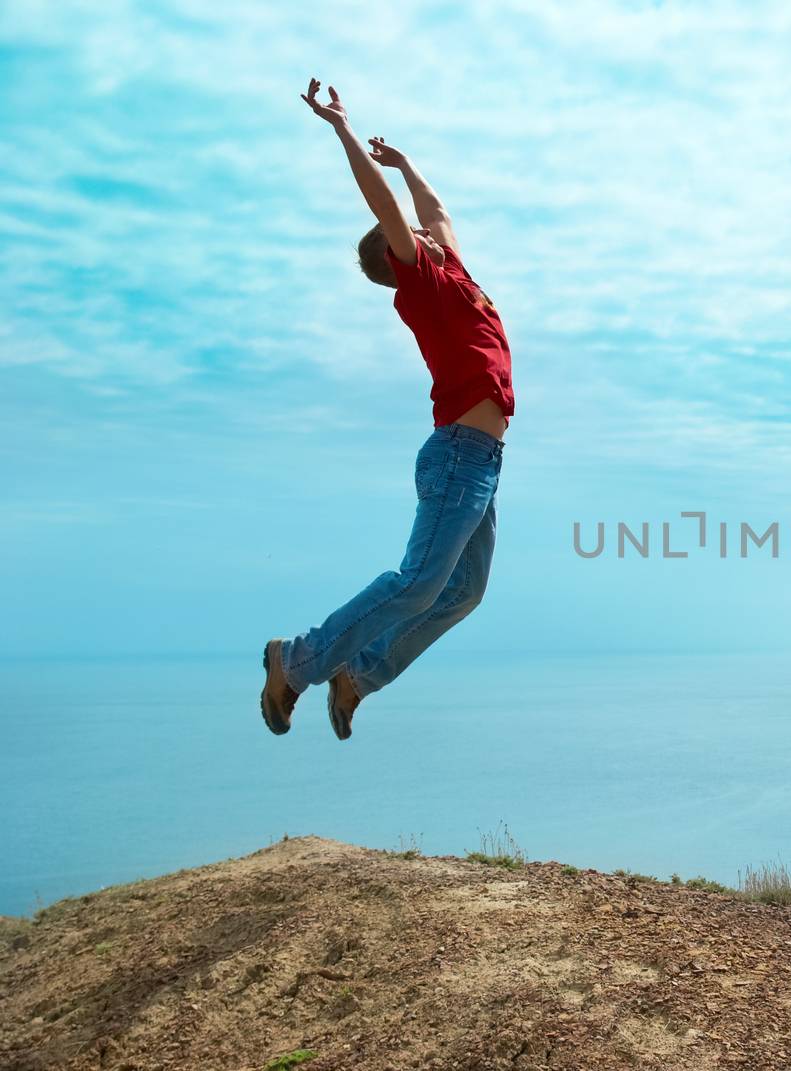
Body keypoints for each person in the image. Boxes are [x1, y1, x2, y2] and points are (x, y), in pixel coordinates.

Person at [260, 78, 515, 740]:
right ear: (402, 254)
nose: (428, 230)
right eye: (412, 232)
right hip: (459, 455)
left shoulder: (456, 274)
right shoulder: (425, 285)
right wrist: (344, 131)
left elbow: (439, 211)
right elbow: (393, 211)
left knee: (462, 592)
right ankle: (296, 660)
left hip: (482, 461)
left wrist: (407, 165)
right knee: (420, 583)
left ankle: (359, 673)